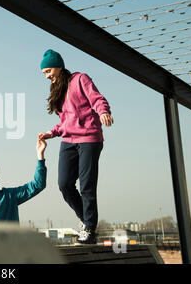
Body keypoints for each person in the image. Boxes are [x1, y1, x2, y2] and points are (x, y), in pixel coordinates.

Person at [38, 49, 114, 244]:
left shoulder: (80, 79)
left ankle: (89, 228)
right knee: (64, 184)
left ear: (58, 66)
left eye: (48, 71)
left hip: (89, 139)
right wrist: (52, 133)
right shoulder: (57, 90)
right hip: (68, 141)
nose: (47, 77)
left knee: (87, 186)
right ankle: (85, 220)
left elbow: (97, 99)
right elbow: (65, 121)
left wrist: (103, 112)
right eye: (44, 73)